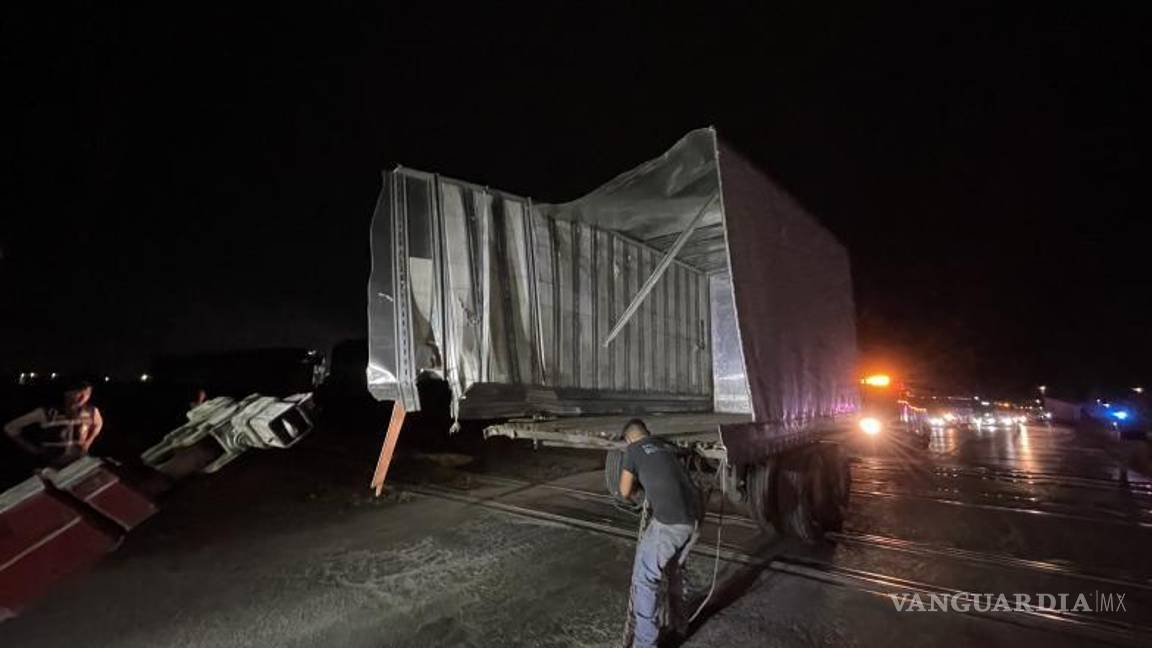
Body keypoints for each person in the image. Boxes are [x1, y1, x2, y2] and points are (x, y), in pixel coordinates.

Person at [618, 418, 700, 648]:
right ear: (648, 432)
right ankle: (678, 625)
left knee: (645, 579)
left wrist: (637, 486)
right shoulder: (665, 447)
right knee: (673, 570)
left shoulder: (633, 450)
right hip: (691, 520)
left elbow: (624, 491)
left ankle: (645, 643)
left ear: (629, 439)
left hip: (670, 523)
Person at [4, 380, 103, 468]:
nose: (83, 397)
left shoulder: (92, 411)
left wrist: (88, 441)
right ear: (67, 393)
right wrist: (31, 448)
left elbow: (98, 424)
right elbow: (10, 427)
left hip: (79, 464)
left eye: (87, 393)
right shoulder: (46, 413)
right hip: (53, 466)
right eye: (78, 393)